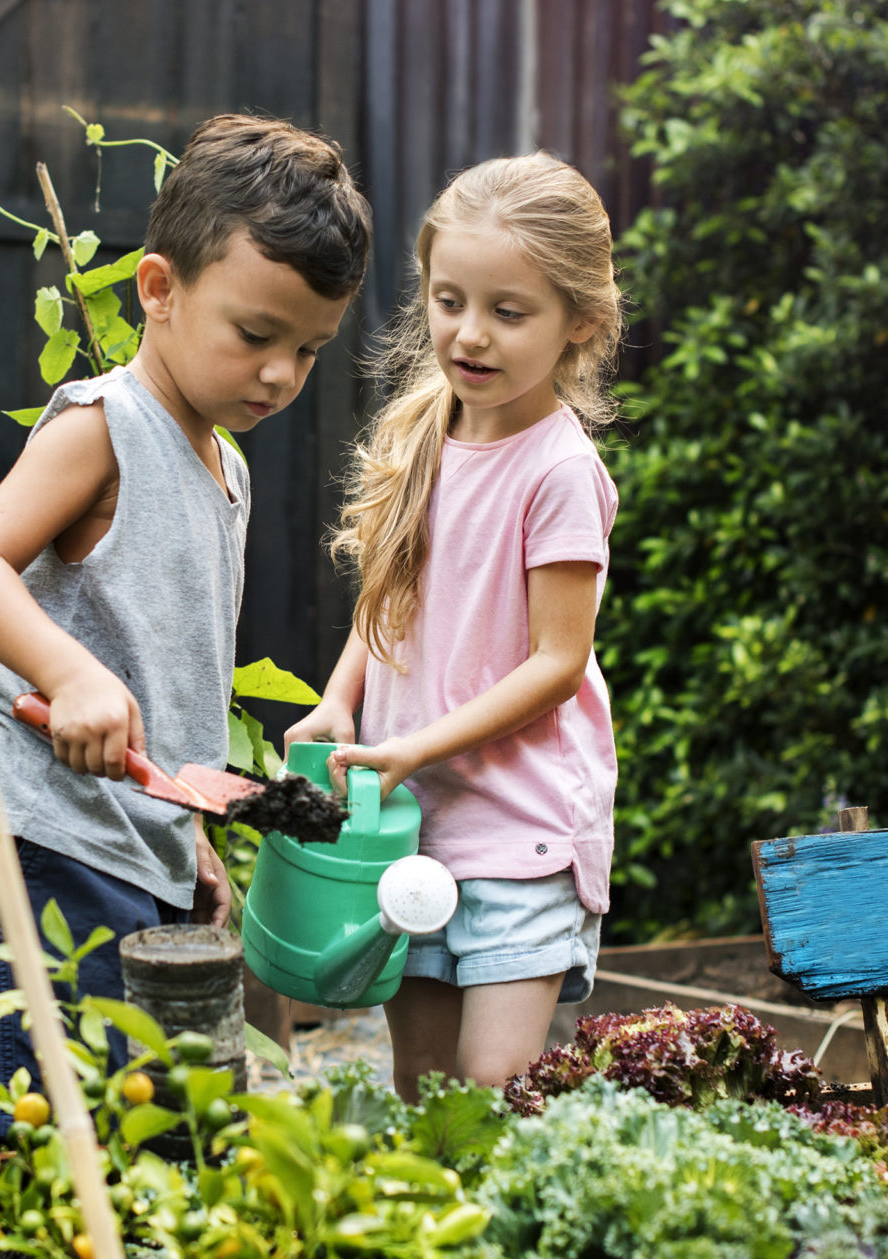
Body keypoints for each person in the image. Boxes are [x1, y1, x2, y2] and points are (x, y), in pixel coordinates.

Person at [0, 114, 372, 1115]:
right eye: (255, 335)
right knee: (37, 1124)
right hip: (31, 839)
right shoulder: (105, 427)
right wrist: (69, 672)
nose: (280, 373)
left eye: (308, 350)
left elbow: (167, 669)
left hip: (131, 846)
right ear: (158, 288)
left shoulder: (228, 471)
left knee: (133, 1126)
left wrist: (185, 835)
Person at [284, 154, 624, 1095]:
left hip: (521, 833)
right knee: (423, 1079)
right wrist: (339, 700)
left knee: (493, 1082)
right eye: (448, 301)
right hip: (412, 822)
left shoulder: (559, 471)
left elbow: (559, 663)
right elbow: (390, 596)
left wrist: (416, 745)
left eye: (508, 312)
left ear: (579, 321)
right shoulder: (422, 431)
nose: (470, 334)